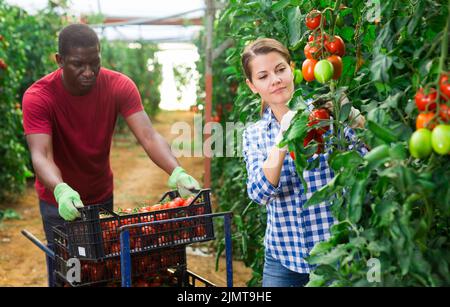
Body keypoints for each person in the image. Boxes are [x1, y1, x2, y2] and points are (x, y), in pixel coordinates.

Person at [22, 23, 200, 286]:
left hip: (99, 194)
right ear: (59, 61)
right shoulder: (39, 96)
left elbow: (149, 137)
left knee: (99, 271)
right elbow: (41, 155)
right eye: (78, 64)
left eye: (95, 62)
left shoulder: (118, 85)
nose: (89, 71)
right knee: (67, 272)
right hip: (58, 201)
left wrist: (176, 171)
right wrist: (61, 189)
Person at [241, 38, 366, 287]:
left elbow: (364, 162)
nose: (275, 80)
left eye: (280, 70)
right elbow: (258, 193)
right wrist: (283, 138)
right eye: (263, 76)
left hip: (336, 254)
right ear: (252, 86)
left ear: (292, 69)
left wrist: (356, 121)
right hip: (283, 258)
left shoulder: (326, 114)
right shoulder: (254, 134)